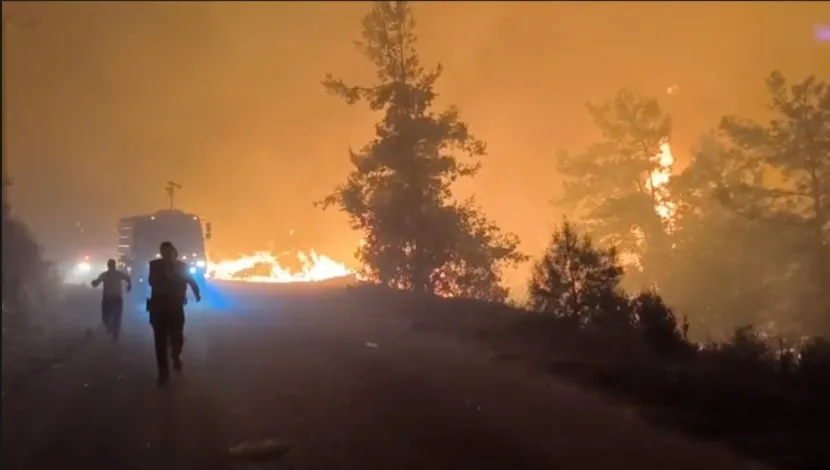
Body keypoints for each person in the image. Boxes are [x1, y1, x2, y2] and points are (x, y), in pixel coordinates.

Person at [148, 241, 200, 386]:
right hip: (158, 309)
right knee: (160, 342)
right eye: (163, 252)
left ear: (173, 253)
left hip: (175, 308)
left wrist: (196, 294)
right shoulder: (155, 265)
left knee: (177, 337)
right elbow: (152, 281)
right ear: (161, 252)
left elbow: (191, 281)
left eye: (169, 252)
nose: (166, 255)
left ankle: (175, 355)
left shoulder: (181, 266)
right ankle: (163, 374)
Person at [91, 259, 132, 340]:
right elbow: (128, 278)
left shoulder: (105, 274)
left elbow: (96, 283)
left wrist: (94, 283)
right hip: (115, 299)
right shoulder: (116, 274)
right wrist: (129, 286)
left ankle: (111, 330)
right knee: (115, 317)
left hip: (109, 299)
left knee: (106, 317)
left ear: (108, 265)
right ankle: (113, 332)